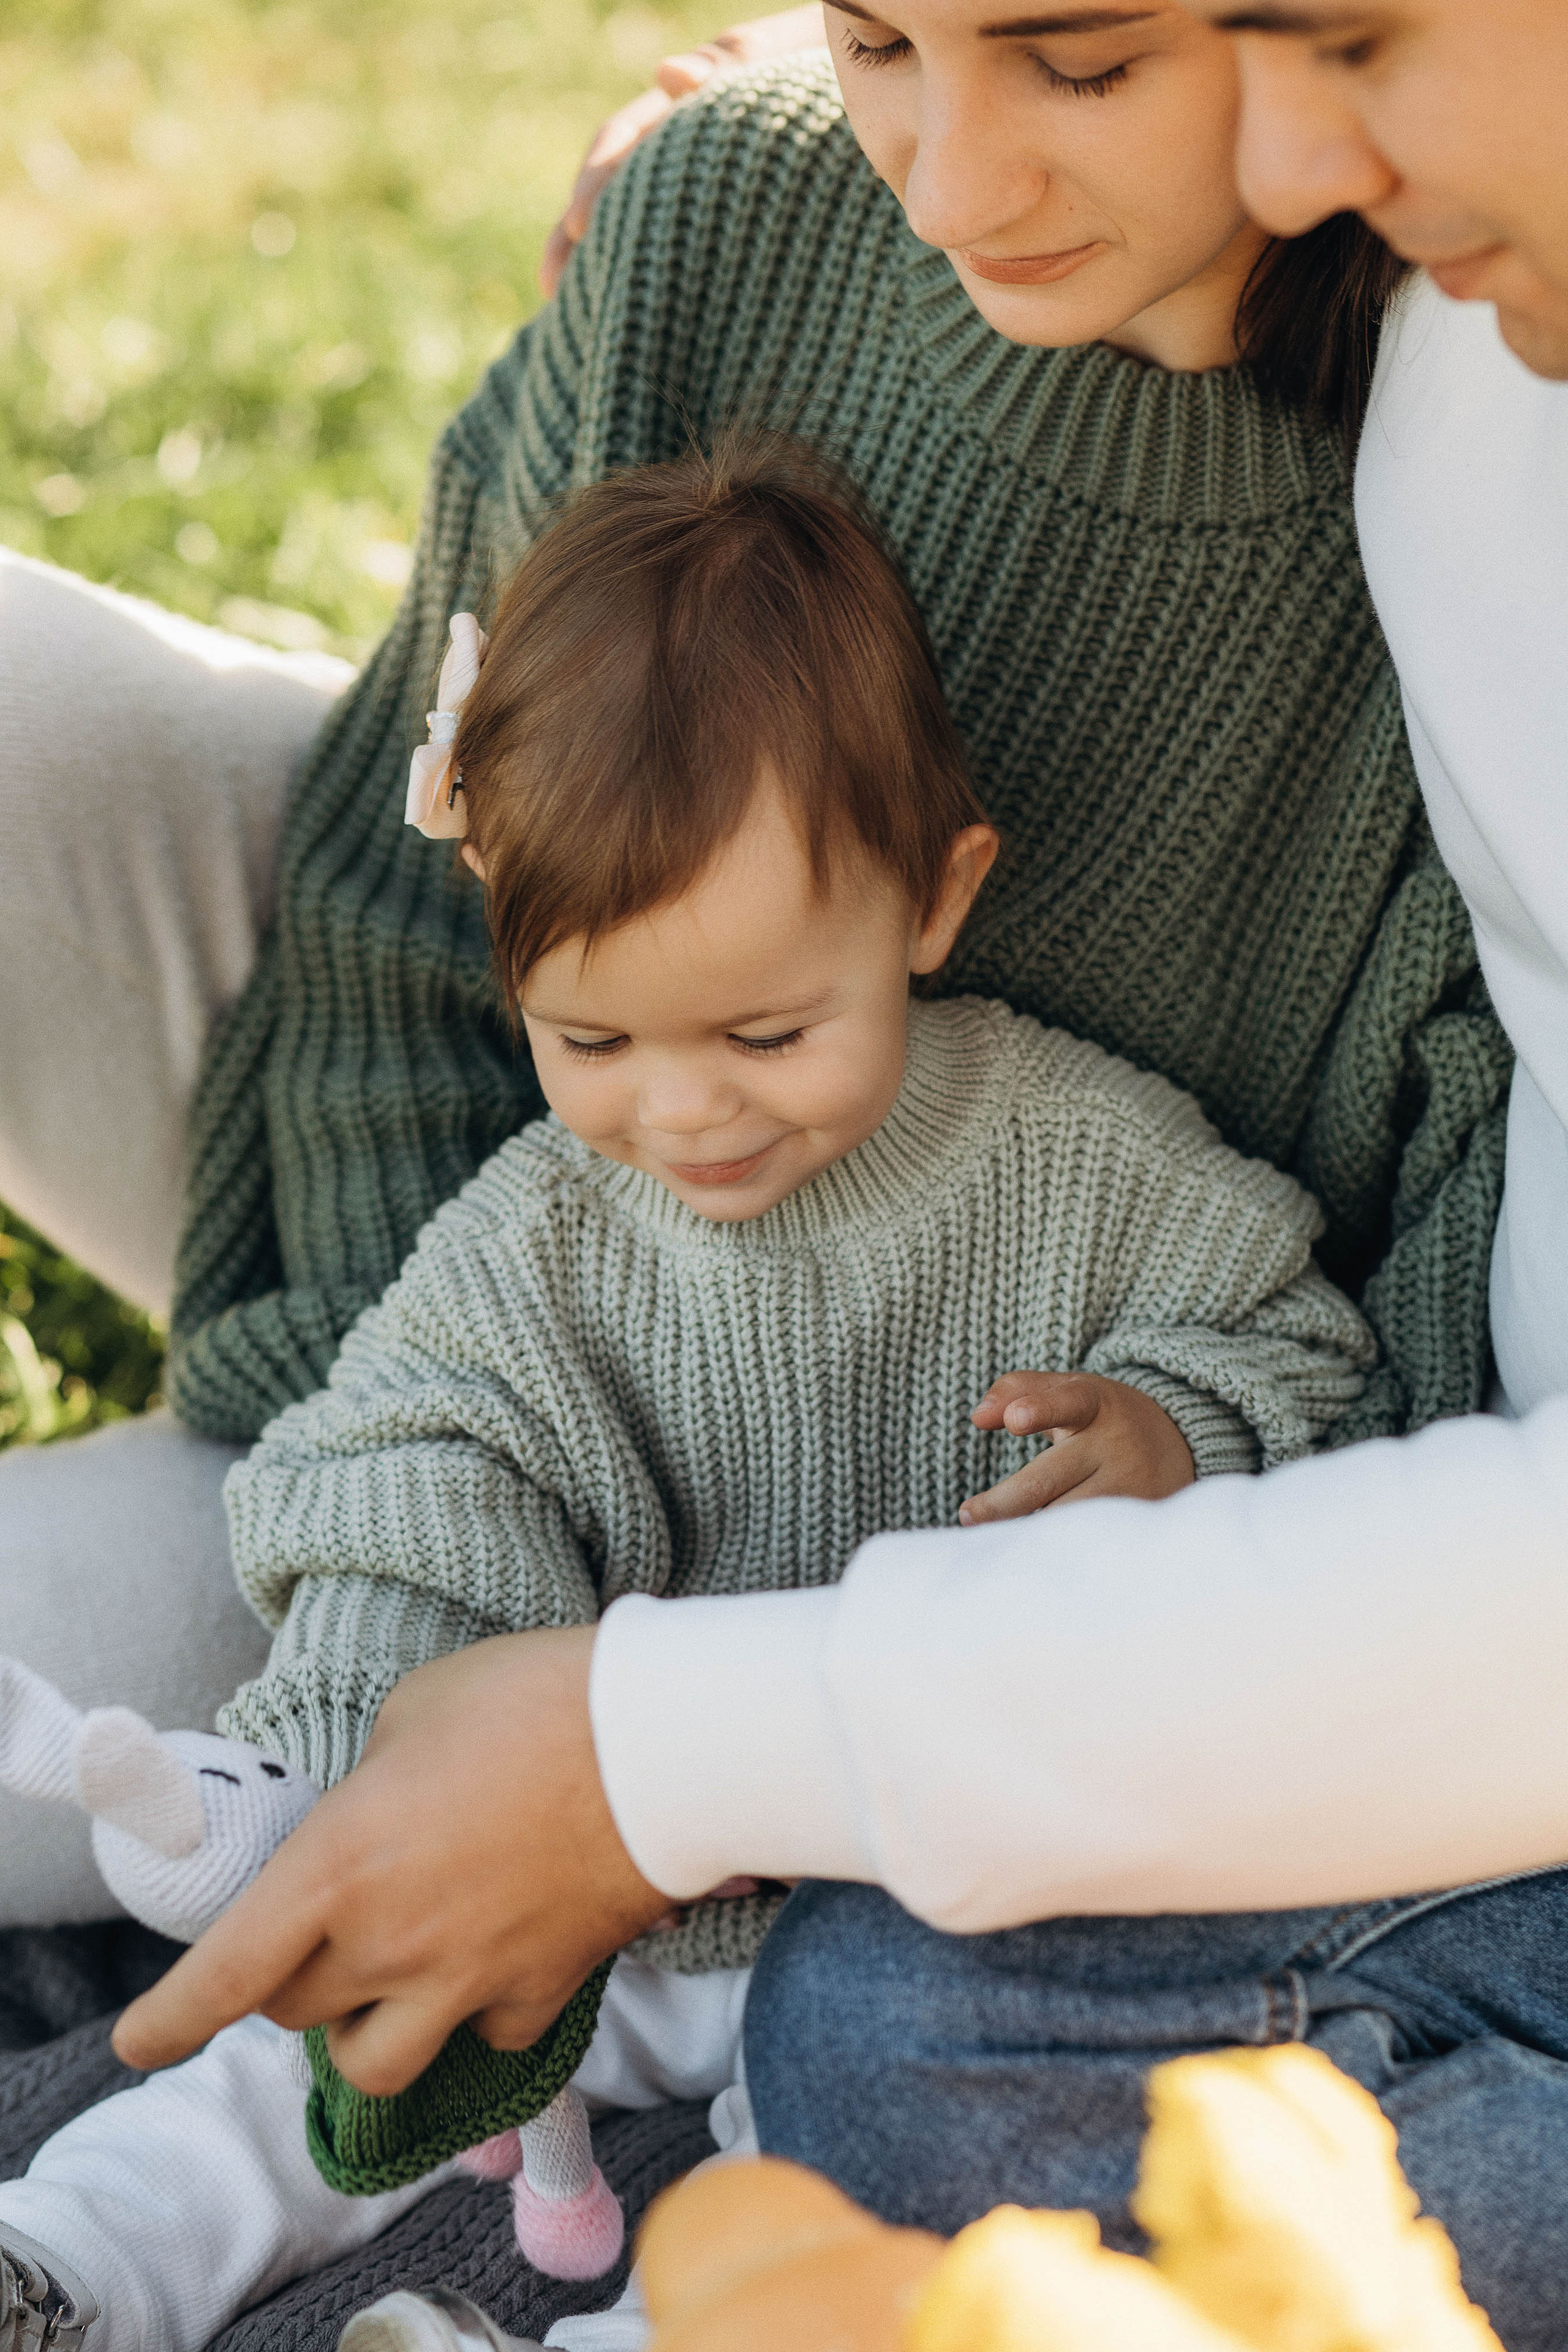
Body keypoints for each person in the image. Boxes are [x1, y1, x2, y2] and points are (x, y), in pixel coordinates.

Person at [105, 0, 1568, 2345]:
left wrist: (709, 1700)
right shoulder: (747, 207)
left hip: (963, 1419)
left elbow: (1404, 1312)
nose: (955, 175)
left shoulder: (1417, 421)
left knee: (800, 2012)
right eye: (881, 31)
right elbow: (414, 877)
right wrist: (450, 1403)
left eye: (1084, 68)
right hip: (513, 1343)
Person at [0, 436, 1378, 2352]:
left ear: (931, 898)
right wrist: (363, 1743)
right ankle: (77, 2263)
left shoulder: (1083, 1158)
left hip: (938, 1923)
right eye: (593, 1038)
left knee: (845, 2180)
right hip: (593, 1903)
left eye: (768, 1031)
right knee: (290, 2091)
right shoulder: (540, 1240)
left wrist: (1178, 1432)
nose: (686, 1108)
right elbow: (403, 1472)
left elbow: (1302, 1339)